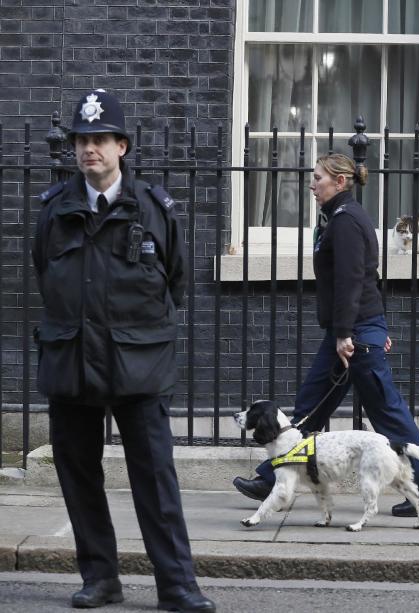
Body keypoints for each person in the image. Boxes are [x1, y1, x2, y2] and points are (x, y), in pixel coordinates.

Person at [32, 89, 215, 612]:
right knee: (79, 474)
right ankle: (100, 578)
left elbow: (176, 280)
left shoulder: (155, 211)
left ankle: (177, 586)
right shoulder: (55, 210)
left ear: (122, 147)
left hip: (140, 363)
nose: (89, 149)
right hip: (71, 362)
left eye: (99, 140)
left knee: (155, 479)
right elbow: (46, 273)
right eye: (81, 141)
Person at [232, 153, 419, 517]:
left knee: (387, 412)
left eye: (319, 178)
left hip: (353, 334)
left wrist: (353, 331)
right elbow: (369, 277)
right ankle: (271, 479)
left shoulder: (346, 221)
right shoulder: (340, 218)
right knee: (310, 407)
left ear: (340, 182)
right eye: (313, 177)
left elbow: (352, 280)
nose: (312, 183)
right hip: (354, 329)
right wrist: (372, 326)